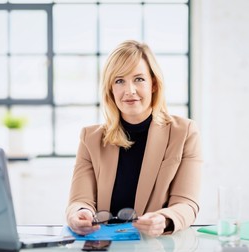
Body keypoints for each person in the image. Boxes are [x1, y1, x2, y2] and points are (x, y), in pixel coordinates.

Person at [66, 40, 202, 237]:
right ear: (110, 89)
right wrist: (80, 213)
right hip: (104, 250)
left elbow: (187, 204)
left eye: (139, 79)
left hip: (157, 250)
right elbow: (79, 200)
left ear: (153, 84)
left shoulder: (184, 132)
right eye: (119, 80)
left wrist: (164, 219)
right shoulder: (90, 138)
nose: (129, 90)